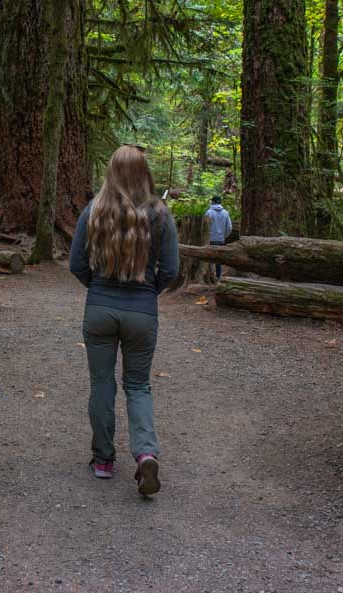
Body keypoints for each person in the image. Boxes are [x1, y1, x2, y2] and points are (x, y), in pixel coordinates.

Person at [69, 145, 179, 497]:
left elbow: (76, 265)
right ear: (144, 172)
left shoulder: (93, 210)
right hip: (142, 312)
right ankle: (146, 453)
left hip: (99, 308)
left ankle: (103, 461)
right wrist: (148, 292)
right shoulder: (160, 214)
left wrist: (98, 288)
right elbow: (172, 270)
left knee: (102, 384)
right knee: (138, 385)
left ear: (111, 172)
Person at [205, 195, 233, 280]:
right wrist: (224, 236)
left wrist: (207, 237)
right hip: (220, 240)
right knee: (218, 260)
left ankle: (209, 277)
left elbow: (205, 227)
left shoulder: (209, 212)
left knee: (207, 258)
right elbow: (229, 227)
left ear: (212, 202)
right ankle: (218, 277)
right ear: (220, 202)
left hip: (210, 239)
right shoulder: (225, 213)